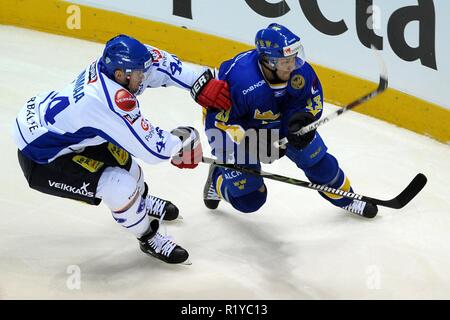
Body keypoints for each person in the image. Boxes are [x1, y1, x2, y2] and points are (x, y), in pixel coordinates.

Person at [12, 34, 230, 265]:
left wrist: (200, 81)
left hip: (68, 136)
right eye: (139, 75)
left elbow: (161, 64)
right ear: (120, 75)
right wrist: (182, 144)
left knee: (130, 169)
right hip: (41, 159)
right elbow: (151, 149)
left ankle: (141, 202)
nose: (144, 78)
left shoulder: (116, 69)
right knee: (120, 187)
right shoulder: (104, 101)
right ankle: (148, 237)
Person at [202, 23, 378, 218]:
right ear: (269, 61)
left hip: (282, 125)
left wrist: (303, 121)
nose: (292, 65)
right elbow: (217, 123)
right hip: (241, 133)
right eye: (286, 61)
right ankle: (217, 179)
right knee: (249, 200)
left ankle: (348, 198)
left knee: (321, 166)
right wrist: (247, 140)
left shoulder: (301, 72)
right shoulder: (238, 78)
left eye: (294, 57)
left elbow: (314, 101)